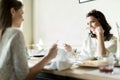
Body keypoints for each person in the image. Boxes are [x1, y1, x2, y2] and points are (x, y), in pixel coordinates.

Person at [0, 0, 58, 80]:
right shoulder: (15, 34)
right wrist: (49, 57)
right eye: (22, 13)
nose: (23, 19)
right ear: (12, 11)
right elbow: (24, 77)